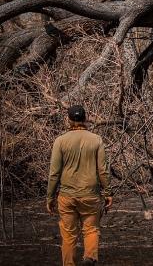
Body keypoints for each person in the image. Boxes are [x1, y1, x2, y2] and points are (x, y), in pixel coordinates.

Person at [47, 105, 112, 266]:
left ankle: (69, 264)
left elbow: (54, 173)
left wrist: (50, 196)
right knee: (91, 230)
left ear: (68, 120)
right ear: (85, 118)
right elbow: (103, 170)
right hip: (90, 195)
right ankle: (89, 259)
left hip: (67, 196)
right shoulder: (96, 140)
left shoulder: (60, 141)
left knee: (68, 235)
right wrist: (108, 192)